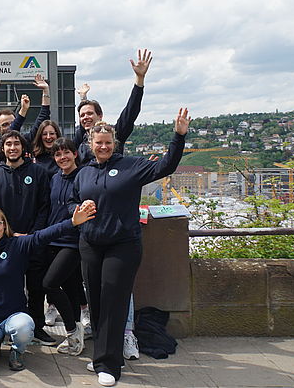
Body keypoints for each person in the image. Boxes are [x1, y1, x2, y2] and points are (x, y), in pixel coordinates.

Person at [75, 109, 190, 387]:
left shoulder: (131, 166)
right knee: (98, 304)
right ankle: (102, 355)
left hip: (122, 245)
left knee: (114, 303)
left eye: (108, 142)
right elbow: (70, 201)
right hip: (91, 244)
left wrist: (179, 136)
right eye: (98, 143)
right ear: (90, 144)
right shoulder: (84, 173)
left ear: (115, 144)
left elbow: (166, 166)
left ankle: (110, 366)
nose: (103, 147)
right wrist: (76, 213)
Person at [0, 202, 96, 371]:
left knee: (24, 327)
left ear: (4, 225)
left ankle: (17, 350)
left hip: (14, 314)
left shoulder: (18, 245)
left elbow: (44, 235)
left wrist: (72, 222)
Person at [0, 129, 54, 344]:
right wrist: (6, 234)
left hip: (32, 240)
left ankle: (37, 327)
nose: (12, 148)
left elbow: (45, 206)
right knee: (6, 284)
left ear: (23, 147)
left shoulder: (39, 172)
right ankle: (4, 326)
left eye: (16, 144)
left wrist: (31, 235)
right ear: (2, 149)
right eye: (8, 144)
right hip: (4, 242)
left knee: (35, 286)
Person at [44, 137, 87, 356]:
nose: (62, 157)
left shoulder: (84, 176)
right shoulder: (54, 178)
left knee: (50, 284)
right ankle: (76, 338)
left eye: (66, 153)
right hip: (53, 239)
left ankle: (71, 329)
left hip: (72, 241)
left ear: (75, 154)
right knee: (70, 288)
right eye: (58, 154)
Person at [74, 49, 152, 162]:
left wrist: (139, 79)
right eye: (82, 115)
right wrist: (83, 98)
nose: (85, 117)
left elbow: (130, 113)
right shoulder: (80, 139)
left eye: (90, 113)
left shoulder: (114, 134)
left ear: (100, 116)